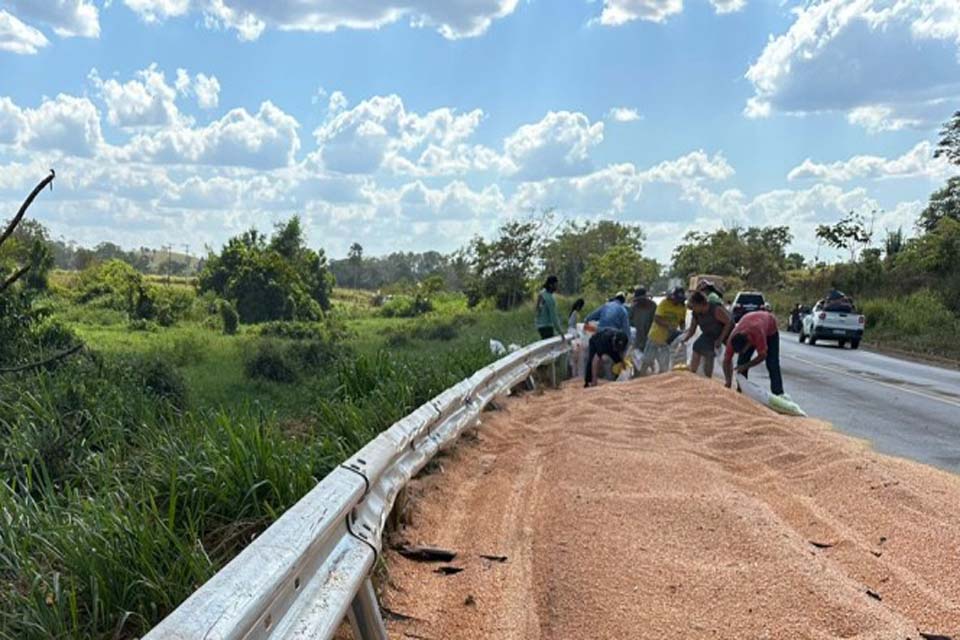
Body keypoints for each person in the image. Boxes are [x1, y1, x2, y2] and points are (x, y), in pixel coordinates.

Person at [722, 310, 783, 396]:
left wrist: (746, 366)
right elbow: (726, 360)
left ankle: (778, 393)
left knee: (772, 363)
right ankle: (741, 389)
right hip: (751, 322)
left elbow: (762, 356)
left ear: (748, 343)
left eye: (742, 350)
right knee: (741, 361)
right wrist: (728, 381)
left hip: (770, 328)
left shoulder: (758, 334)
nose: (741, 352)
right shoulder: (732, 339)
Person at [682, 290, 732, 378]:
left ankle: (713, 379)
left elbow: (729, 322)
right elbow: (692, 329)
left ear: (701, 304)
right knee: (697, 346)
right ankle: (692, 374)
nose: (693, 309)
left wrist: (720, 339)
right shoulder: (696, 313)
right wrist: (684, 339)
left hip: (725, 333)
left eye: (694, 306)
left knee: (716, 355)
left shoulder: (715, 310)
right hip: (709, 334)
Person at [640, 286, 687, 375]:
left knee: (664, 365)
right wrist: (668, 326)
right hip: (655, 336)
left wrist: (683, 332)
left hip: (667, 340)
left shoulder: (682, 307)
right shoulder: (664, 303)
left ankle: (661, 384)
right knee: (647, 360)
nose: (675, 301)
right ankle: (640, 377)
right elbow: (657, 318)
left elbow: (682, 321)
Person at [534, 275, 564, 340]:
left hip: (540, 326)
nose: (557, 287)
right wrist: (561, 332)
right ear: (551, 285)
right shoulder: (550, 298)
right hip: (547, 327)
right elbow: (553, 317)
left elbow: (537, 310)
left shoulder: (542, 293)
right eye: (556, 285)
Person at [629, 287, 657, 352]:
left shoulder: (653, 306)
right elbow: (630, 321)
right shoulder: (634, 307)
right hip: (638, 337)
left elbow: (656, 320)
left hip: (650, 336)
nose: (640, 301)